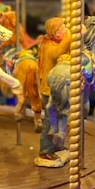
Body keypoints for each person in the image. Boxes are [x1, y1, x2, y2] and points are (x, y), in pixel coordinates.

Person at [35, 17, 71, 167]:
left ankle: (56, 146)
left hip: (56, 86)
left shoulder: (51, 42)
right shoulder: (50, 47)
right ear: (56, 33)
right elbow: (61, 50)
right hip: (49, 89)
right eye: (63, 27)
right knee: (50, 121)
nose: (66, 29)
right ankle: (45, 150)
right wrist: (75, 35)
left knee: (59, 119)